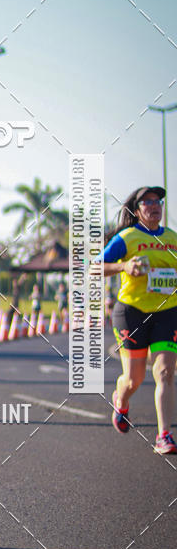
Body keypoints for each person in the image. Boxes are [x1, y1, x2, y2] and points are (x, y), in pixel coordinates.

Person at [102, 186, 177, 454]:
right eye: (148, 202)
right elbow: (94, 267)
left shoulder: (173, 238)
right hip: (131, 312)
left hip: (167, 312)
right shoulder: (127, 238)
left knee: (165, 372)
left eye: (158, 201)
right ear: (137, 210)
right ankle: (120, 401)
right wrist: (124, 266)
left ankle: (164, 435)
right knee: (133, 380)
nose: (154, 206)